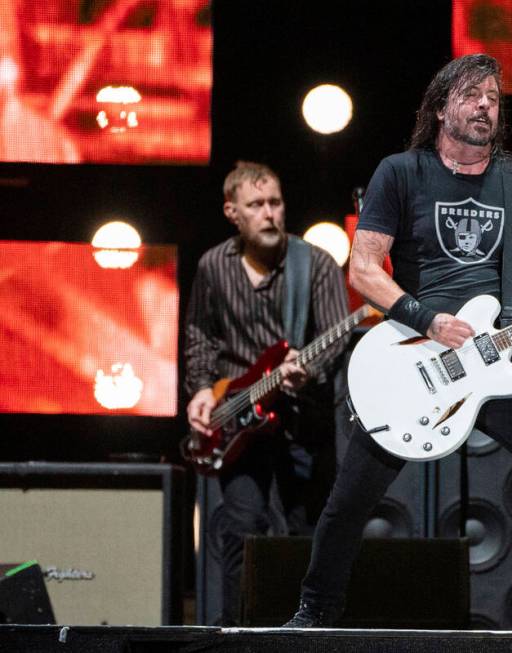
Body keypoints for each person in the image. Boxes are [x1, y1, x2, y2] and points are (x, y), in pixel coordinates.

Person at [285, 53, 512, 632]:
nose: (485, 105)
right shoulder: (400, 172)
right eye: (473, 94)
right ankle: (314, 613)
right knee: (351, 498)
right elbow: (364, 269)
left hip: (500, 361)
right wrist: (427, 320)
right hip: (416, 360)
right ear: (441, 105)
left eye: (494, 98)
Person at [184, 161, 349, 625]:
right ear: (232, 212)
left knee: (307, 532)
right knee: (241, 527)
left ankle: (306, 631)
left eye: (275, 202)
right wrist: (199, 391)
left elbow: (335, 337)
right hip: (235, 417)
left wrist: (309, 368)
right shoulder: (213, 266)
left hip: (301, 416)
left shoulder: (313, 264)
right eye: (256, 205)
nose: (270, 213)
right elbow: (200, 335)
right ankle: (238, 631)